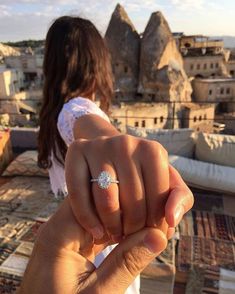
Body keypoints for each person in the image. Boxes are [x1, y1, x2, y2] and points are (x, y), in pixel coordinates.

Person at [37, 16, 194, 294]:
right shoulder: (77, 108)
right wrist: (123, 151)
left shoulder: (52, 111)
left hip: (73, 238)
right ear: (98, 63)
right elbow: (98, 134)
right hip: (103, 244)